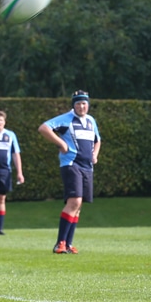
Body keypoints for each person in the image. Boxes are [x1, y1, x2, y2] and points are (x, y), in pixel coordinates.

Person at [38, 91, 101, 255]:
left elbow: (97, 140)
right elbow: (44, 128)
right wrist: (61, 143)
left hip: (87, 167)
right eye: (78, 103)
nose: (82, 106)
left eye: (84, 103)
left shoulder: (90, 120)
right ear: (73, 105)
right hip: (72, 165)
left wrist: (95, 154)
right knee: (74, 201)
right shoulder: (66, 119)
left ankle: (68, 244)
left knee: (78, 206)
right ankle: (60, 243)